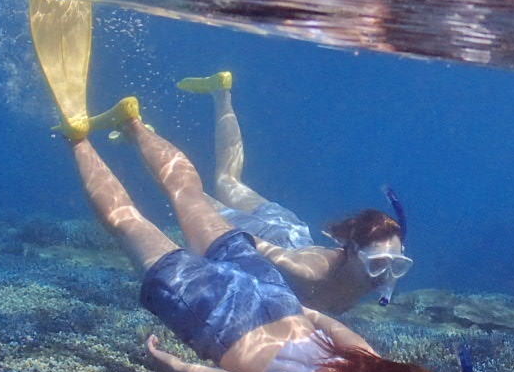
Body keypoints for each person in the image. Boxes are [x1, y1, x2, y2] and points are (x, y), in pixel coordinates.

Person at [28, 0, 471, 372]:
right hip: (217, 319)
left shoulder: (375, 370)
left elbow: (331, 325)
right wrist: (178, 368)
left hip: (272, 295)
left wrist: (294, 310)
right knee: (128, 222)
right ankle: (79, 137)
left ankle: (134, 126)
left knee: (188, 195)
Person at [175, 70, 413, 315]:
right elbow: (247, 241)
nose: (387, 274)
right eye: (377, 264)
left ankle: (220, 92)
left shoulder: (369, 273)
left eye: (397, 265)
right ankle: (141, 134)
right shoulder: (308, 271)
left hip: (289, 225)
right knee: (188, 197)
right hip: (268, 234)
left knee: (227, 181)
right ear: (352, 252)